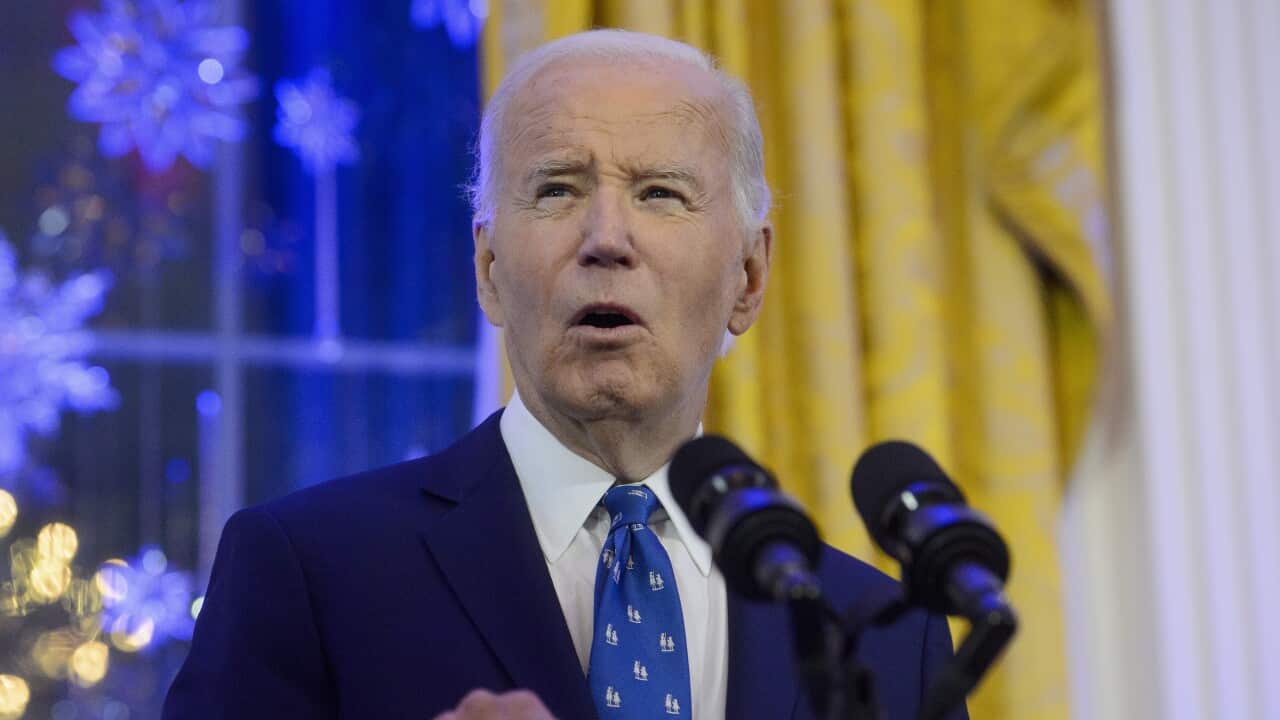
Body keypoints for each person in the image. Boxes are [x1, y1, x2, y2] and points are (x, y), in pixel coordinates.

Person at [163, 29, 964, 720]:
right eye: (556, 190)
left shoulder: (887, 635)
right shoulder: (309, 571)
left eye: (660, 193)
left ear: (748, 277)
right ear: (487, 269)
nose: (605, 238)